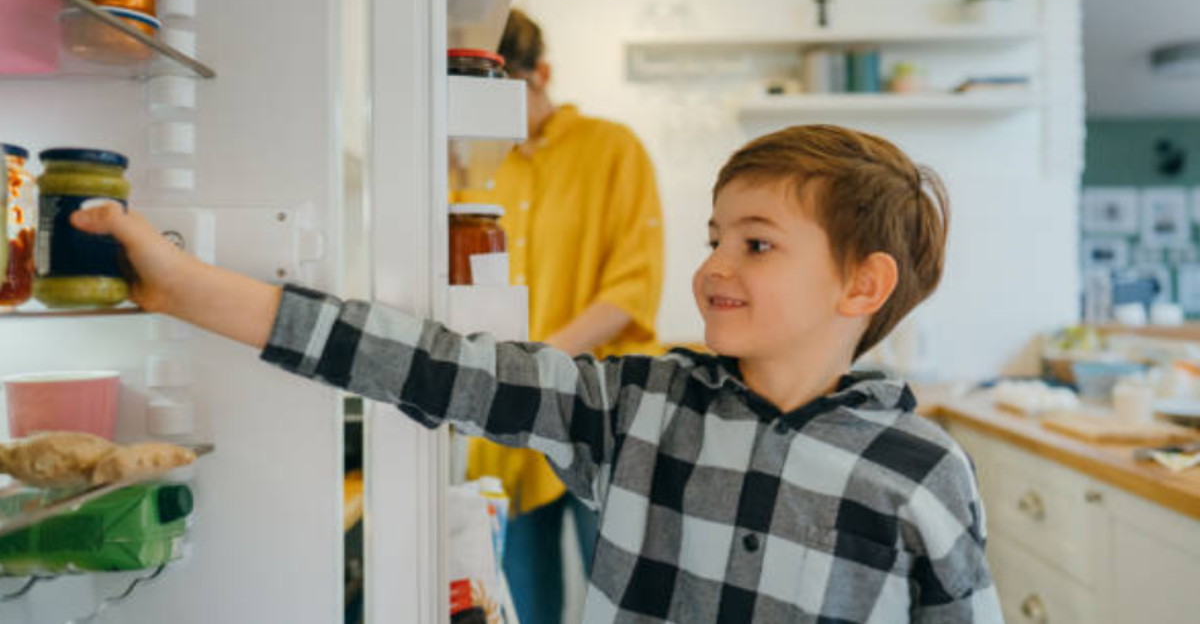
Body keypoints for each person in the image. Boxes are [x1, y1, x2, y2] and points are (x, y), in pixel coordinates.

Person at [74, 124, 1003, 623]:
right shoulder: (633, 408)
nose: (715, 265)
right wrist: (185, 288)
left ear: (861, 284)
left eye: (756, 243)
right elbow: (427, 362)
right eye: (713, 236)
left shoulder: (922, 474)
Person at [454, 10, 664, 624]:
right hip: (508, 420)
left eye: (505, 94)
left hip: (602, 411)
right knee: (520, 603)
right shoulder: (471, 164)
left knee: (621, 599)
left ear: (540, 74)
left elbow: (633, 288)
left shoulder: (613, 149)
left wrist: (536, 362)